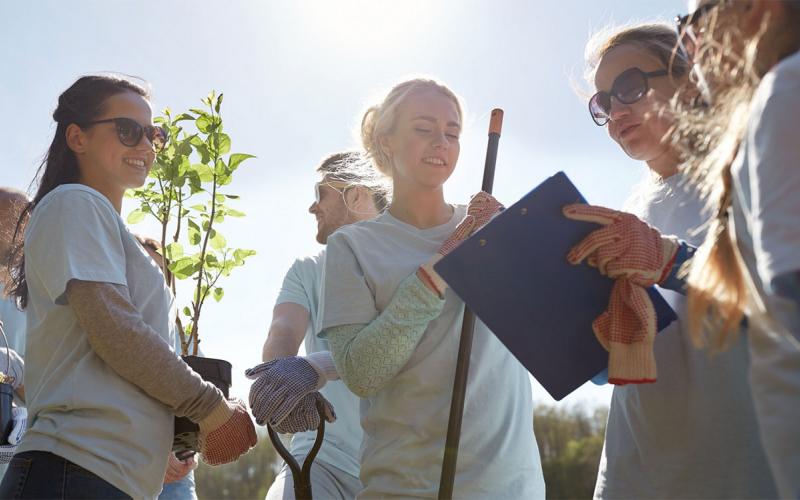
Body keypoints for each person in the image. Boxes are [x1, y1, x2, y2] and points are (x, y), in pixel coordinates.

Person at [565, 2, 800, 497]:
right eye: (603, 103)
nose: (616, 111)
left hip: (737, 471)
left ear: (690, 80)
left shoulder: (747, 168)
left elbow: (776, 309)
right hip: (633, 473)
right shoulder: (629, 209)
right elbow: (626, 362)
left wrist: (670, 261)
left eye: (629, 87)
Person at [0, 74, 256, 499]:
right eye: (128, 130)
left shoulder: (100, 221)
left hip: (100, 477)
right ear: (77, 138)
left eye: (154, 133)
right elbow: (115, 328)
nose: (146, 146)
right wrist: (209, 407)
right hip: (75, 473)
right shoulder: (74, 202)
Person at [320, 78, 544, 497]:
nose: (441, 141)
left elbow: (553, 329)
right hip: (404, 486)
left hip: (509, 485)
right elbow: (362, 373)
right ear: (385, 141)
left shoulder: (494, 226)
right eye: (424, 128)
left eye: (453, 133)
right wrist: (437, 272)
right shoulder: (351, 246)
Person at [250, 151, 388, 499]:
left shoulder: (402, 266)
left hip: (398, 465)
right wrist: (283, 373)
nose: (313, 208)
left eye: (320, 193)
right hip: (320, 459)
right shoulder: (308, 269)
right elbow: (282, 330)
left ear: (356, 195)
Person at [137, 236, 199, 500]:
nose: (156, 280)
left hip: (177, 478)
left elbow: (196, 397)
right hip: (131, 466)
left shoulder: (183, 338)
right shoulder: (116, 333)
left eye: (162, 272)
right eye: (148, 269)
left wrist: (188, 451)